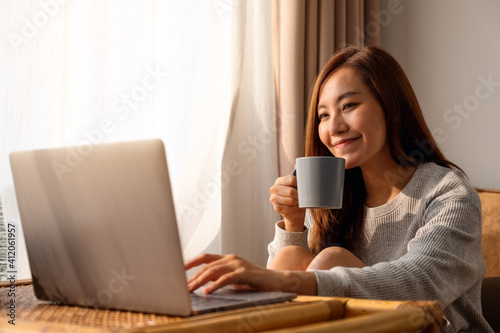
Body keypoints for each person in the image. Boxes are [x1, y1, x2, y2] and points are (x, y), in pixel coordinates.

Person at [185, 46, 493, 332]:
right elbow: (281, 302)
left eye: (349, 105)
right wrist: (293, 224)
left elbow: (420, 282)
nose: (333, 128)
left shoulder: (448, 192)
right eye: (323, 115)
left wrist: (291, 280)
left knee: (332, 259)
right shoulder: (333, 192)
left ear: (391, 108)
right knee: (293, 255)